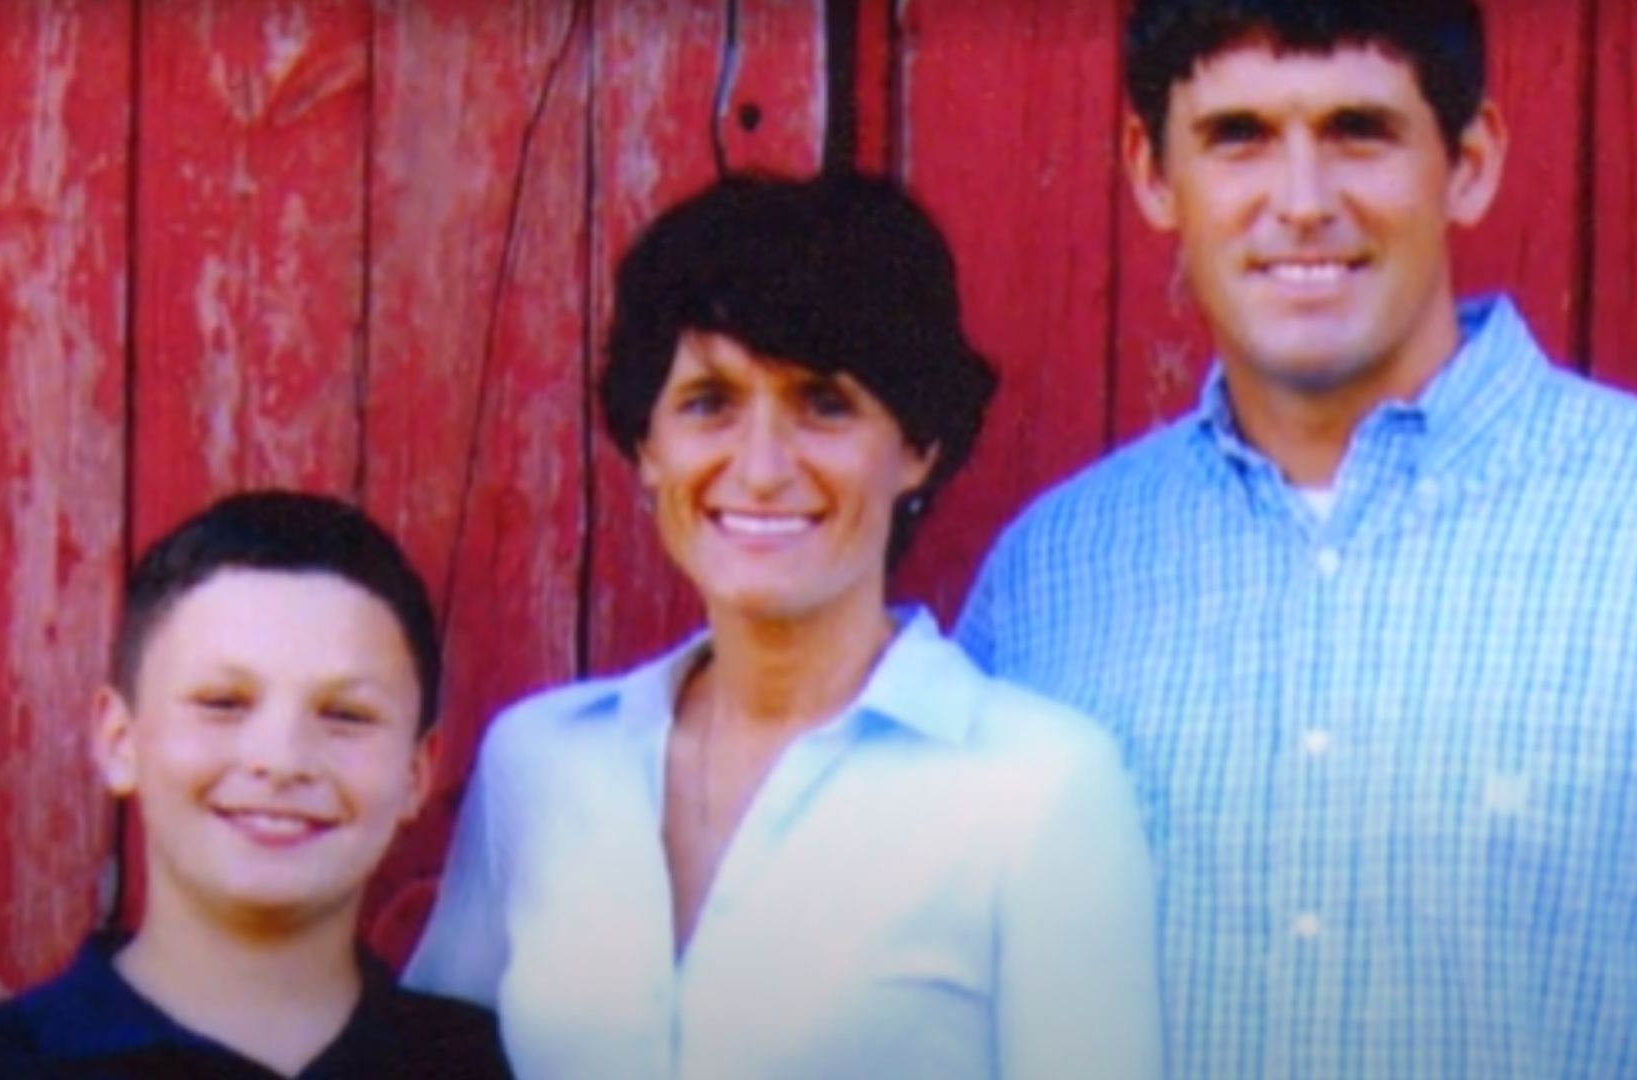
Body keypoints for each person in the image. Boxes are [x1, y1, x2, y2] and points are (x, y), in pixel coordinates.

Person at [954, 0, 1637, 1076]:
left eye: (1358, 130)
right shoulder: (1050, 585)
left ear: (1469, 160)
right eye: (1240, 137)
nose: (1303, 202)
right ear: (1149, 170)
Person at [402, 172, 1164, 1080]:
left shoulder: (1040, 787)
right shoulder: (538, 764)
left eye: (824, 404)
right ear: (648, 444)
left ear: (918, 445)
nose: (761, 468)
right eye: (709, 403)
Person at [0, 491, 512, 1078]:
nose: (281, 761)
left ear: (416, 772)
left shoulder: (481, 1064)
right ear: (121, 742)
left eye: (347, 715)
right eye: (223, 702)